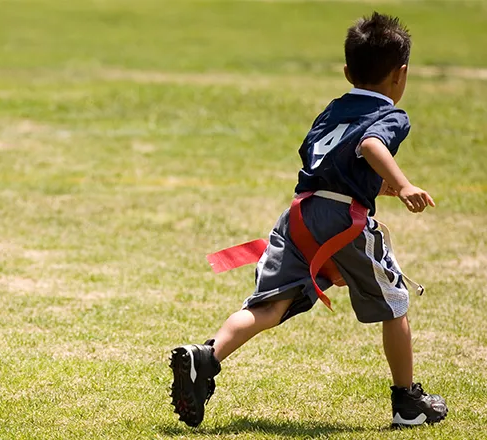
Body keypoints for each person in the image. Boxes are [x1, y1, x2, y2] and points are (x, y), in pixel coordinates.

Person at [169, 12, 448, 429]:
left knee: (271, 304)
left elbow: (320, 155)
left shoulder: (334, 108)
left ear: (347, 71)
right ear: (400, 74)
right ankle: (407, 402)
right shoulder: (392, 115)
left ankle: (206, 357)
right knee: (395, 305)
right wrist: (402, 184)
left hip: (301, 212)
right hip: (343, 221)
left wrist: (371, 186)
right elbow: (371, 144)